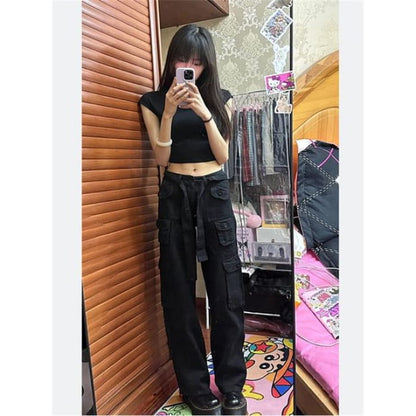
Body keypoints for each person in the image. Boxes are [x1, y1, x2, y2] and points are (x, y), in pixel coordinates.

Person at [139, 24, 247, 415]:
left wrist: (204, 113)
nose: (189, 68)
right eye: (183, 60)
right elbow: (162, 159)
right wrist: (169, 111)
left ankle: (232, 386)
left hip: (214, 193)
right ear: (172, 61)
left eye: (197, 62)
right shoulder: (151, 102)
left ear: (207, 65)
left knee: (227, 292)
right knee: (179, 295)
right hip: (175, 194)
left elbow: (223, 155)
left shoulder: (220, 99)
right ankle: (195, 388)